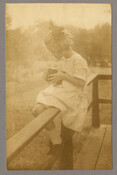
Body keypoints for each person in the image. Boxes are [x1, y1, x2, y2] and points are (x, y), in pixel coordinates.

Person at [32, 22, 88, 169]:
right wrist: (51, 76)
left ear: (62, 47)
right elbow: (60, 77)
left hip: (71, 96)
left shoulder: (78, 60)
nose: (52, 55)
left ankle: (58, 145)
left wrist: (62, 76)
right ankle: (56, 140)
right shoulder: (63, 60)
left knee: (67, 137)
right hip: (60, 92)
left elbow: (81, 82)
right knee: (37, 110)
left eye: (54, 51)